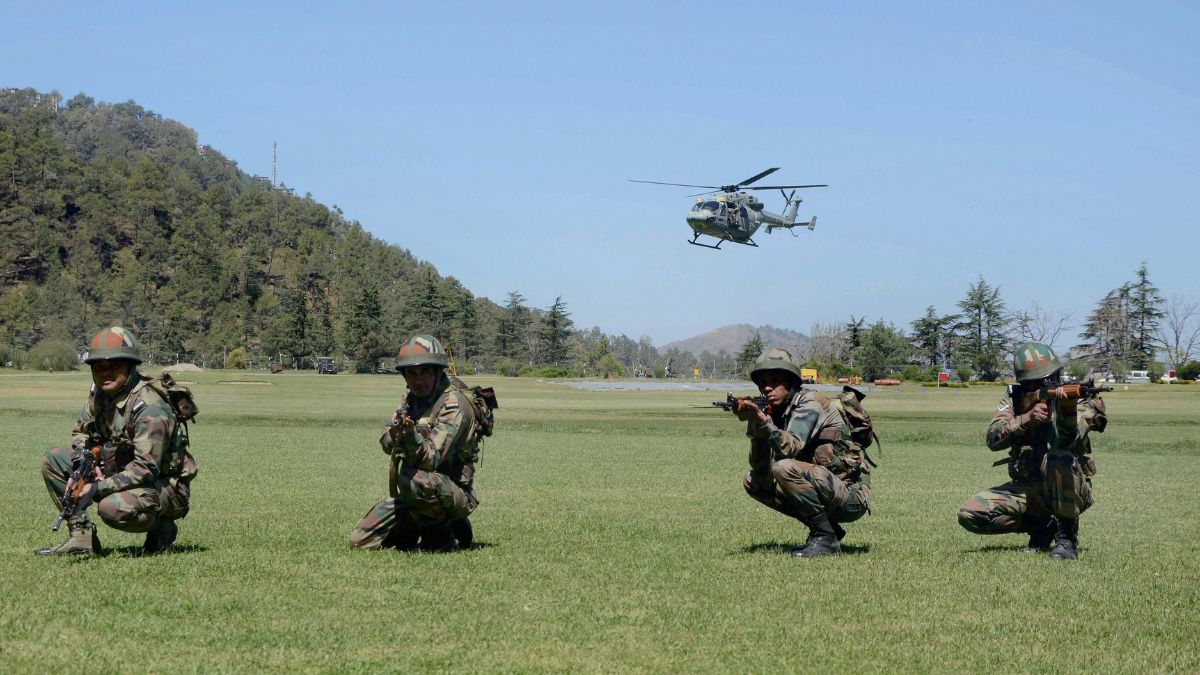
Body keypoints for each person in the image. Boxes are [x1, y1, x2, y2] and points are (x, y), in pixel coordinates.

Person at [37, 327, 196, 556]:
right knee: (53, 459)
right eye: (99, 367)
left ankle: (163, 528)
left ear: (131, 366)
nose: (106, 373)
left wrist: (98, 486)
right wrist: (86, 461)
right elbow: (81, 430)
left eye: (115, 366)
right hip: (119, 470)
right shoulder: (99, 394)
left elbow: (146, 468)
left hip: (164, 486)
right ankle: (82, 537)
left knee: (111, 507)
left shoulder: (149, 407)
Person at [957, 342, 1107, 559]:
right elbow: (993, 439)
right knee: (971, 514)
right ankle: (1042, 527)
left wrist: (1067, 409)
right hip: (1028, 490)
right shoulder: (1016, 400)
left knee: (1059, 457)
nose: (1044, 385)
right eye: (1034, 382)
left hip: (1070, 491)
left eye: (1048, 379)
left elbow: (1067, 440)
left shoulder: (1082, 401)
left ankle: (1066, 538)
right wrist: (1026, 419)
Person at [350, 335, 481, 551]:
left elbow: (430, 458)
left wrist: (409, 435)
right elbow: (385, 442)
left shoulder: (454, 405)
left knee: (414, 479)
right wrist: (395, 432)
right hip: (417, 493)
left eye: (425, 372)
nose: (418, 380)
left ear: (438, 372)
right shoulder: (413, 401)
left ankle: (444, 534)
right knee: (361, 541)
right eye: (411, 373)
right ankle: (431, 526)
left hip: (453, 492)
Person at [736, 348, 871, 558]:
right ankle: (829, 531)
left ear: (791, 382)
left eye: (775, 380)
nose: (767, 388)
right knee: (754, 480)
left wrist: (765, 423)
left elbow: (791, 447)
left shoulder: (811, 403)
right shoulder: (779, 411)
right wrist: (756, 426)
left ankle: (825, 537)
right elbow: (759, 466)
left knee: (784, 467)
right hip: (824, 487)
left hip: (850, 494)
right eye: (762, 383)